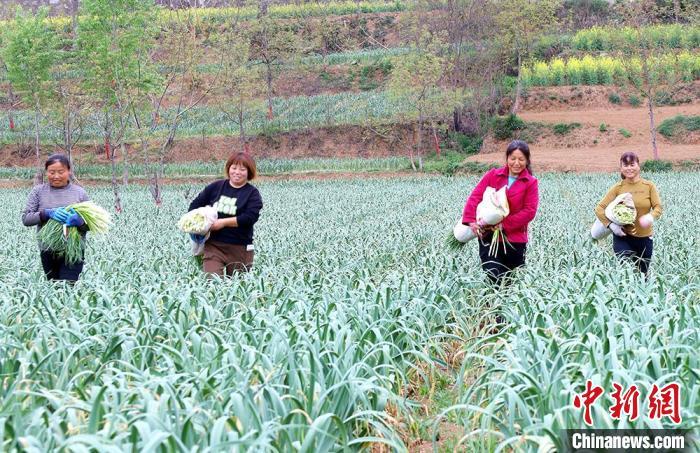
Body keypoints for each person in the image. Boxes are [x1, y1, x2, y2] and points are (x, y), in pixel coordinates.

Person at [462, 140, 539, 286]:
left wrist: (505, 224)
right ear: (507, 158)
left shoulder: (530, 182)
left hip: (514, 240)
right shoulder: (493, 175)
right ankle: (493, 307)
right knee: (492, 276)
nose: (516, 163)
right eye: (513, 158)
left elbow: (529, 211)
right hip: (488, 235)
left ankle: (506, 308)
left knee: (511, 282)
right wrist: (470, 220)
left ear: (527, 160)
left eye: (521, 159)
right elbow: (476, 196)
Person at [188, 152, 263, 276]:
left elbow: (250, 217)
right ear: (228, 169)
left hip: (239, 248)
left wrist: (223, 223)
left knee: (237, 288)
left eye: (242, 169)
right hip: (213, 245)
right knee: (212, 283)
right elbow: (195, 206)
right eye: (234, 168)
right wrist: (201, 221)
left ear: (249, 172)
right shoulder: (216, 187)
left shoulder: (252, 193)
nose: (237, 172)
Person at [21, 154, 90, 282]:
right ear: (46, 172)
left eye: (61, 172)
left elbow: (90, 225)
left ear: (69, 171)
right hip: (48, 249)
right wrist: (46, 214)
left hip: (73, 250)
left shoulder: (80, 193)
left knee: (67, 287)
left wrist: (80, 221)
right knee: (53, 288)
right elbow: (26, 219)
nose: (56, 176)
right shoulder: (38, 191)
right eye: (52, 172)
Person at [595, 151, 662, 276]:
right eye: (625, 165)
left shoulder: (649, 186)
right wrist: (612, 226)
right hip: (623, 237)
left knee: (643, 274)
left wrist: (650, 217)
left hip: (645, 238)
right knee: (625, 272)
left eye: (632, 164)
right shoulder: (618, 188)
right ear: (621, 168)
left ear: (638, 166)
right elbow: (599, 209)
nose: (629, 168)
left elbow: (658, 208)